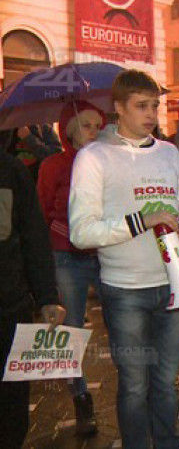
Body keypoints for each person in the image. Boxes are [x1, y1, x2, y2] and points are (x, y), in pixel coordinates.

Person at [69, 69, 179, 449]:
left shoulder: (169, 152)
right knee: (133, 383)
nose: (151, 114)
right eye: (141, 106)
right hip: (125, 290)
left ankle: (168, 442)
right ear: (119, 108)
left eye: (155, 106)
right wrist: (140, 221)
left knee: (165, 381)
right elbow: (82, 232)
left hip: (174, 284)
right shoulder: (93, 157)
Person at [36, 101, 106, 436]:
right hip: (66, 257)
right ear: (70, 131)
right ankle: (80, 398)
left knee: (126, 322)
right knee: (71, 330)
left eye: (99, 124)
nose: (96, 130)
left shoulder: (109, 163)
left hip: (107, 255)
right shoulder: (54, 165)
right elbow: (42, 211)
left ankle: (148, 390)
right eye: (88, 125)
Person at [0, 150, 67, 448]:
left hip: (9, 305)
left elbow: (34, 237)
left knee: (12, 405)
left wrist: (47, 296)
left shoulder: (10, 170)